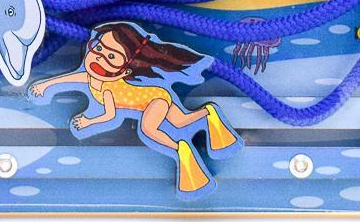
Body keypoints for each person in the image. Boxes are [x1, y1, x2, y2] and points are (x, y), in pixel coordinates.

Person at [29, 21, 239, 194]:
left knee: (149, 130)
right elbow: (71, 78)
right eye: (98, 48)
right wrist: (45, 85)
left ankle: (180, 149)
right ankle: (208, 114)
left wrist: (88, 121)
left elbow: (109, 115)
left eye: (112, 57)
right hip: (158, 95)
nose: (99, 57)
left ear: (126, 70)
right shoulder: (92, 78)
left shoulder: (108, 89)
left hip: (154, 100)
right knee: (181, 122)